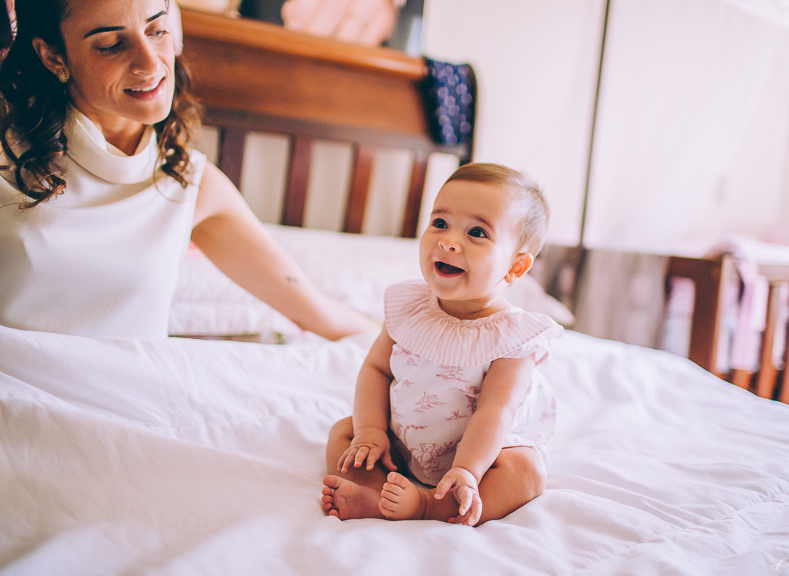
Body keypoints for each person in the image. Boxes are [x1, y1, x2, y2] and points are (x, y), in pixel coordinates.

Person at [0, 0, 374, 339]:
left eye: (156, 30)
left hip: (128, 390)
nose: (151, 64)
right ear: (53, 56)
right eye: (112, 44)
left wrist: (404, 346)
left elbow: (318, 312)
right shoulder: (6, 163)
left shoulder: (189, 181)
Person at [322, 163, 563, 526]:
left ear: (515, 267)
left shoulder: (513, 338)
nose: (448, 241)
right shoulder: (408, 308)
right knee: (345, 432)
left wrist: (467, 469)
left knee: (527, 472)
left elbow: (495, 410)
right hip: (402, 443)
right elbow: (376, 369)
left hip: (482, 456)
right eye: (440, 223)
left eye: (477, 232)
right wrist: (371, 432)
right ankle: (374, 493)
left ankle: (428, 505)